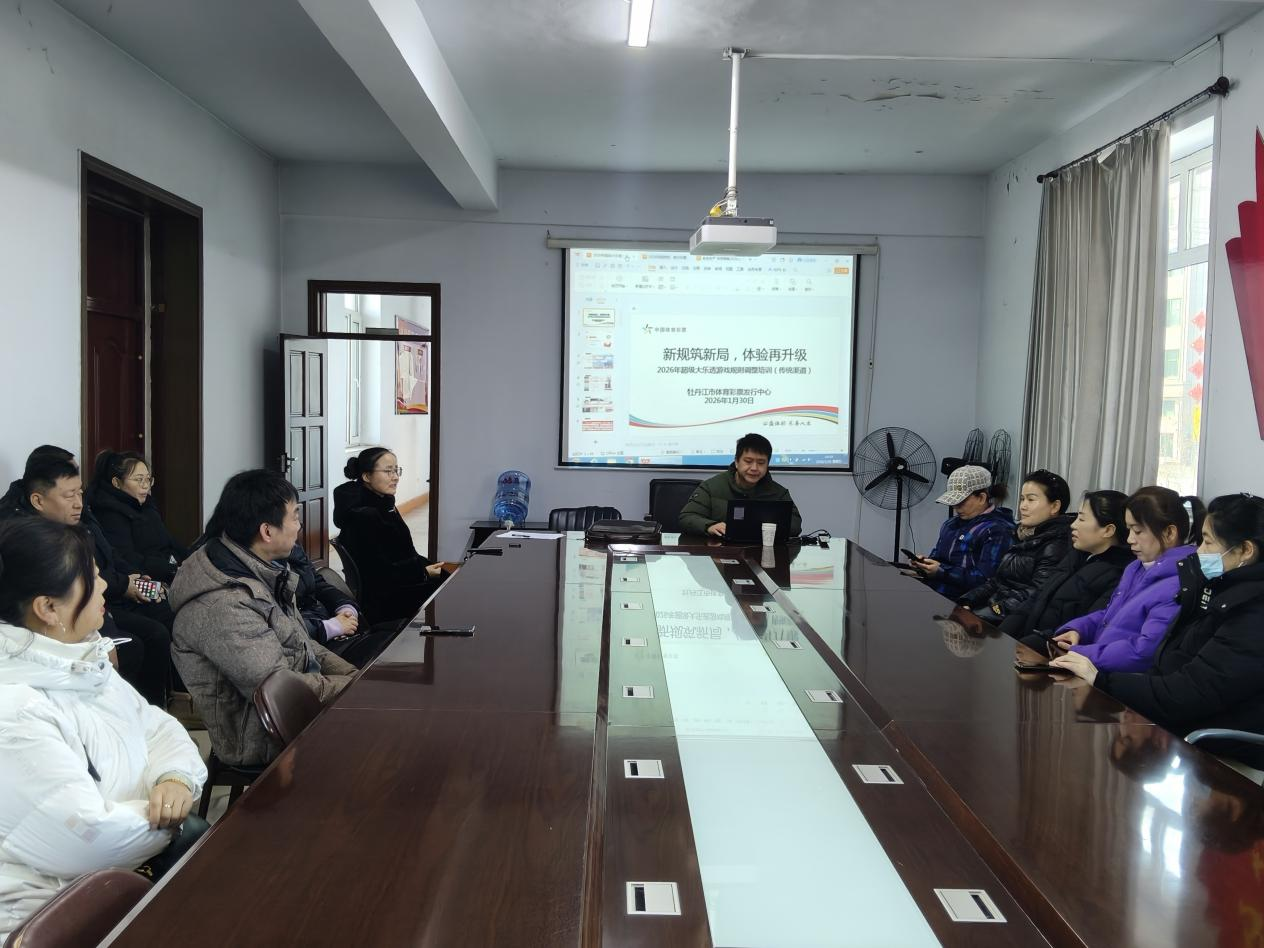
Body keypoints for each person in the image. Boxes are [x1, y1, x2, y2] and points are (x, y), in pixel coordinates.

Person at [0, 517, 207, 940]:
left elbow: (157, 727)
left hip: (122, 878)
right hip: (52, 918)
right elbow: (83, 836)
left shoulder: (80, 661)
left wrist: (173, 778)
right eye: (92, 579)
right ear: (48, 608)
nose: (105, 586)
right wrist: (169, 819)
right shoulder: (14, 711)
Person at [1052, 493, 1264, 768]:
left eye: (1208, 542)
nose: (1199, 551)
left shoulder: (1252, 613)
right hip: (1177, 724)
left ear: (1245, 551)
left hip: (1216, 751)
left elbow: (1187, 693)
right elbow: (1172, 661)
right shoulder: (1215, 591)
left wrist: (1101, 678)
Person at [170, 470, 356, 765]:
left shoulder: (258, 569)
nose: (299, 525)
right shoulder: (224, 605)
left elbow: (300, 641)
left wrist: (355, 676)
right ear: (267, 532)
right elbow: (282, 691)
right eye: (295, 516)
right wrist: (357, 689)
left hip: (301, 705)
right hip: (263, 735)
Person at [21, 453, 173, 707]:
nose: (79, 503)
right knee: (144, 638)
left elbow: (110, 557)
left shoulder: (84, 520)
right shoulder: (38, 541)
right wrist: (105, 635)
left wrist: (135, 576)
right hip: (101, 606)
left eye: (80, 493)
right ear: (38, 500)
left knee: (164, 616)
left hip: (105, 601)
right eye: (70, 495)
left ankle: (153, 706)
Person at [1045, 486, 1202, 673]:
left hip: (1116, 678)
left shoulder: (1179, 583)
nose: (1130, 539)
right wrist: (1079, 630)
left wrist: (1082, 653)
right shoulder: (1136, 568)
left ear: (1169, 533)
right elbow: (1110, 615)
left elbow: (1144, 652)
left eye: (1138, 531)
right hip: (1099, 667)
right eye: (1129, 530)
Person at [1004, 490, 1133, 642]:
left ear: (1108, 530)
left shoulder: (1120, 575)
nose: (1073, 524)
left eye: (1082, 519)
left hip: (1050, 651)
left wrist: (1027, 645)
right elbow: (1037, 598)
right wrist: (1003, 634)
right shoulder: (1075, 556)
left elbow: (1081, 630)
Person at [332, 447, 443, 623]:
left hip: (400, 585)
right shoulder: (364, 516)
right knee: (455, 592)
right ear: (366, 476)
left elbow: (404, 553)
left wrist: (427, 567)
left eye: (396, 470)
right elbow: (380, 573)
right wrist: (423, 572)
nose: (396, 477)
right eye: (388, 471)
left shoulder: (383, 504)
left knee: (452, 576)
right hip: (387, 600)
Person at [959, 470, 1074, 620]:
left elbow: (1034, 596)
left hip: (1012, 622)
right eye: (1022, 499)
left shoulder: (1056, 545)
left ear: (1054, 506)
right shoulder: (1022, 534)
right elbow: (998, 582)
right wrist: (968, 601)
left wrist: (982, 615)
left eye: (1031, 500)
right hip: (993, 611)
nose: (1023, 506)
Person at [908, 464, 1015, 600]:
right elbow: (938, 557)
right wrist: (924, 564)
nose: (956, 507)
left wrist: (941, 571)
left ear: (981, 498)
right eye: (953, 502)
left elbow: (987, 581)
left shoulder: (998, 530)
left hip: (966, 603)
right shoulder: (950, 524)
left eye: (961, 502)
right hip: (936, 594)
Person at [285, 544, 396, 668]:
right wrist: (329, 627)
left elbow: (318, 584)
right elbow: (278, 630)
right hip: (309, 648)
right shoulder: (267, 573)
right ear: (268, 534)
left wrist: (345, 608)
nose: (297, 531)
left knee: (398, 636)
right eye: (294, 523)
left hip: (329, 625)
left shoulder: (293, 548)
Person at [87, 450, 189, 583]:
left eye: (148, 479)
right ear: (117, 483)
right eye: (139, 479)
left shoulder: (146, 505)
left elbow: (169, 541)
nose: (145, 485)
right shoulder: (109, 513)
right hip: (148, 579)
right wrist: (171, 570)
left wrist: (189, 561)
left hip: (172, 572)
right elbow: (128, 558)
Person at [677, 433, 802, 538]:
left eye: (761, 463)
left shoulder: (778, 493)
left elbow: (795, 525)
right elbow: (686, 518)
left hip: (763, 552)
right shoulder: (711, 487)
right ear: (737, 462)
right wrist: (709, 526)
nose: (754, 468)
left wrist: (764, 528)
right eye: (748, 461)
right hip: (720, 552)